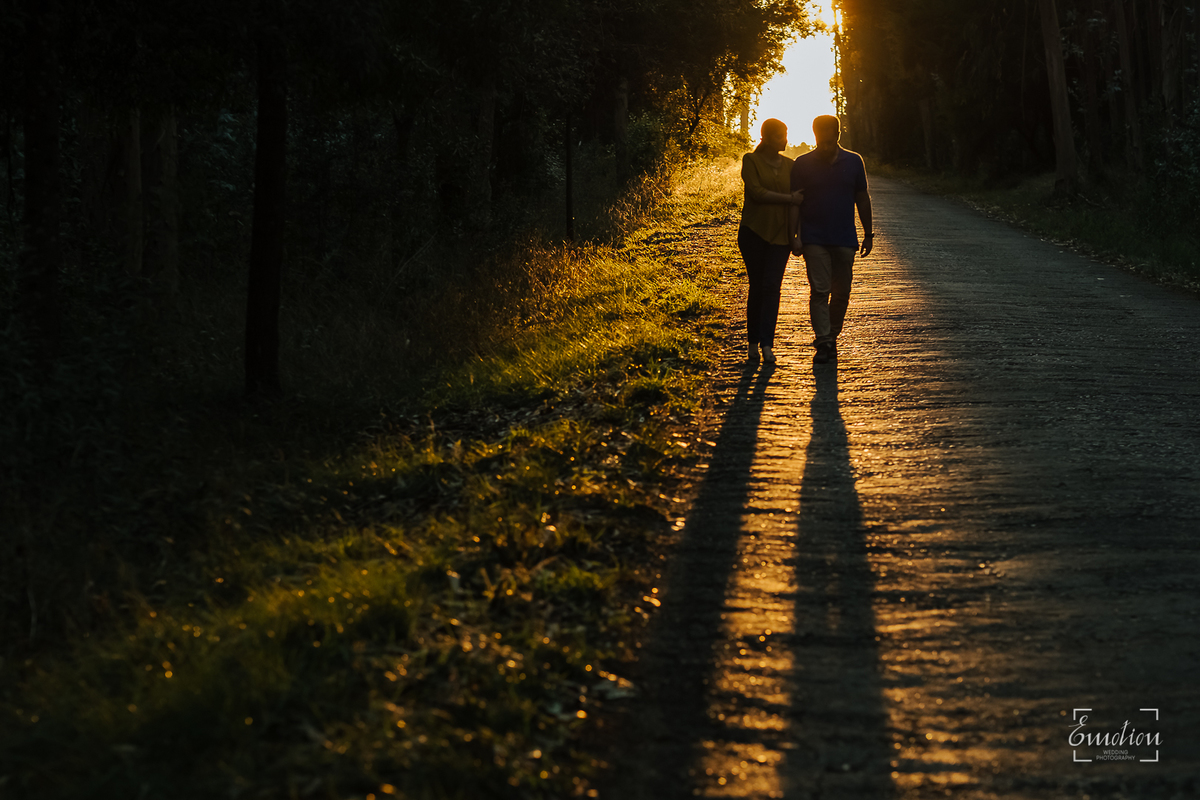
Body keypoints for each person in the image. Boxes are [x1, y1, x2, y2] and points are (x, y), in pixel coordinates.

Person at [789, 114, 873, 364]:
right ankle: (824, 340)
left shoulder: (854, 161)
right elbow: (795, 202)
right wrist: (793, 235)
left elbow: (862, 198)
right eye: (821, 135)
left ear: (838, 134)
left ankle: (831, 335)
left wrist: (868, 234)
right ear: (814, 134)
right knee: (820, 291)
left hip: (845, 239)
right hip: (814, 238)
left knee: (842, 293)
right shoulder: (802, 164)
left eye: (830, 135)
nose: (825, 141)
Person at [738, 118, 805, 364]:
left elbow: (801, 202)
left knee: (772, 289)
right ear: (765, 137)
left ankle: (768, 345)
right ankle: (752, 343)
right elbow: (756, 192)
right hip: (753, 232)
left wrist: (796, 236)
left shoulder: (792, 165)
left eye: (786, 135)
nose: (785, 141)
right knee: (757, 287)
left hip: (780, 237)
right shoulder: (751, 160)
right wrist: (789, 198)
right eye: (780, 137)